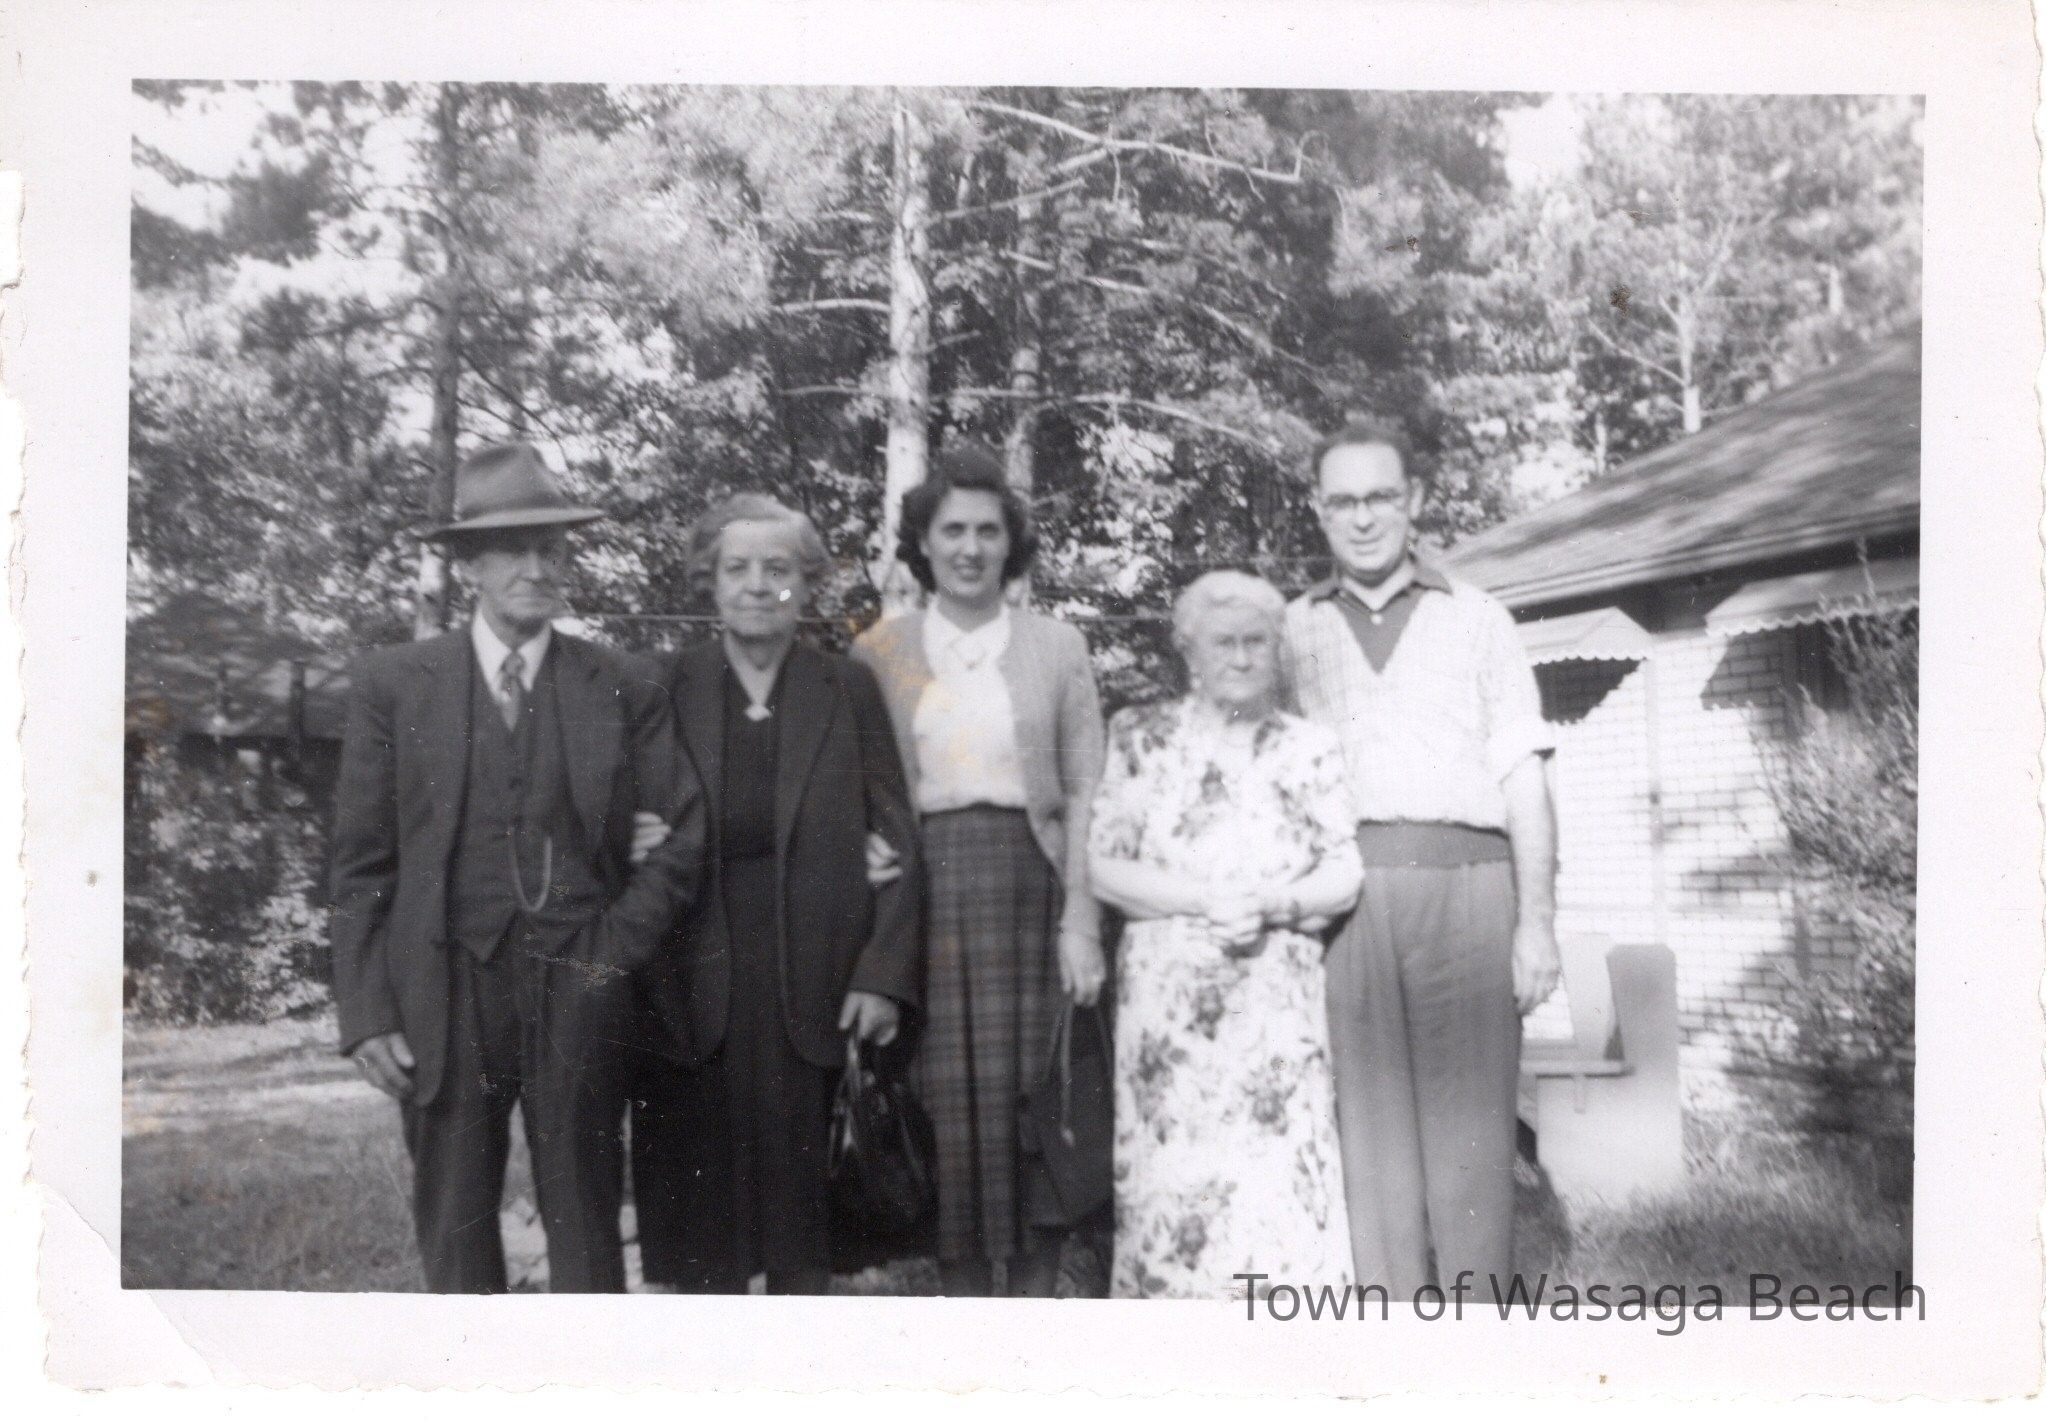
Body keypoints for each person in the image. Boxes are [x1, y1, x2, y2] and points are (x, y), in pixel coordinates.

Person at [329, 442, 705, 1293]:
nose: (537, 568)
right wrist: (366, 1012)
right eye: (512, 550)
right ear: (470, 564)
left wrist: (609, 956)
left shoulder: (623, 682)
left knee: (586, 1224)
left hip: (582, 982)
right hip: (444, 989)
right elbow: (360, 866)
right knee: (455, 1224)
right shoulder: (396, 684)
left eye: (551, 548)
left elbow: (682, 838)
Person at [1283, 418, 1560, 1300]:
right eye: (1343, 501)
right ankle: (1391, 1339)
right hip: (1346, 906)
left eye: (1381, 497)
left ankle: (1476, 1341)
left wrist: (1537, 924)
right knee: (1369, 1150)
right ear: (1319, 510)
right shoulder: (1290, 631)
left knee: (1473, 1145)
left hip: (1470, 894)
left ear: (1415, 501)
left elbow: (1523, 778)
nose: (1363, 517)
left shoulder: (1479, 618)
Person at [629, 493, 923, 1296]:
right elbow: (611, 807)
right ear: (709, 580)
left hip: (815, 993)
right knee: (702, 1254)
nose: (758, 586)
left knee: (802, 1248)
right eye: (738, 568)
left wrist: (882, 978)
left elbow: (900, 839)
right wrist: (623, 835)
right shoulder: (663, 685)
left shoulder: (847, 688)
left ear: (809, 583)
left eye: (779, 569)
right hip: (690, 995)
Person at [851, 442, 1107, 1298]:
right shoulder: (879, 652)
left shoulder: (1057, 646)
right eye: (952, 530)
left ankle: (1031, 1317)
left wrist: (1080, 919)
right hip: (923, 902)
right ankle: (965, 1328)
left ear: (1011, 542)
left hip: (1034, 893)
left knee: (1036, 1109)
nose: (969, 548)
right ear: (922, 542)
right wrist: (861, 847)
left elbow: (1086, 789)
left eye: (987, 531)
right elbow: (855, 784)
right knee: (947, 1116)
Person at [1087, 571, 1363, 1300]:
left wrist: (1273, 902)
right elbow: (1103, 868)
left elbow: (1344, 873)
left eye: (1256, 642)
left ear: (1277, 649)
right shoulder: (1140, 736)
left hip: (1275, 1010)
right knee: (1173, 1177)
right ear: (1189, 651)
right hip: (1168, 1018)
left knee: (1274, 1178)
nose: (1241, 657)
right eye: (1223, 643)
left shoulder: (1310, 746)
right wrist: (1209, 899)